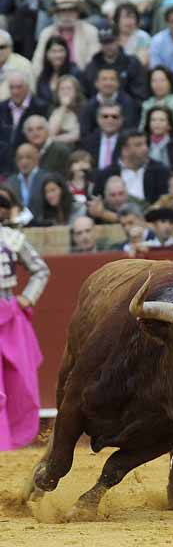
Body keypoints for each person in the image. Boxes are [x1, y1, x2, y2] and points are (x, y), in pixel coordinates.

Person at [0, 193, 50, 450]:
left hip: (7, 313)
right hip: (8, 311)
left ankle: (7, 439)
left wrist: (27, 298)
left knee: (17, 379)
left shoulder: (12, 239)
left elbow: (41, 270)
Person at [93, 129, 170, 206]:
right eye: (139, 145)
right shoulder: (106, 174)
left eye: (145, 144)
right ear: (124, 150)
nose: (145, 148)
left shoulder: (160, 171)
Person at [32, 0, 100, 78]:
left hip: (81, 78)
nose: (67, 15)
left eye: (71, 11)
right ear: (56, 14)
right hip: (53, 78)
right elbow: (37, 63)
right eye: (62, 11)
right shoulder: (46, 33)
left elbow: (93, 62)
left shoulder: (90, 31)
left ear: (77, 13)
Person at [82, 24, 149, 103]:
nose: (108, 46)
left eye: (111, 42)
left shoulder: (131, 63)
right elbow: (87, 95)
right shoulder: (92, 67)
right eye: (105, 43)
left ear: (118, 40)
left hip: (127, 109)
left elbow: (139, 94)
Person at [0, 71, 48, 162]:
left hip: (29, 158)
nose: (15, 91)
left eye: (19, 87)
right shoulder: (1, 107)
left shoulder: (40, 107)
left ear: (27, 87)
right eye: (12, 87)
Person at [79, 66, 140, 137]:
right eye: (104, 79)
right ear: (96, 83)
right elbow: (85, 132)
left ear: (118, 83)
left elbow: (130, 129)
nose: (108, 83)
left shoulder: (128, 103)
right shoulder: (88, 106)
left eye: (112, 79)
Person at [7, 143, 49, 223]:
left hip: (42, 225)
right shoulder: (10, 182)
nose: (24, 161)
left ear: (37, 158)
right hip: (17, 227)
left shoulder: (46, 178)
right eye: (20, 158)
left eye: (28, 157)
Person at [35, 35, 82, 108]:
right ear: (47, 54)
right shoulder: (43, 76)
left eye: (61, 51)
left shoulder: (75, 73)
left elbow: (81, 99)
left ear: (67, 52)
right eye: (53, 51)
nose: (58, 55)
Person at [139, 67, 173, 134]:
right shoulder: (147, 104)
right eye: (154, 80)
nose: (158, 84)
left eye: (162, 80)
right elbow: (142, 129)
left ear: (170, 82)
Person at [81, 102, 124, 170]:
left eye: (114, 117)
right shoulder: (87, 142)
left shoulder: (127, 142)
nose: (110, 120)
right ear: (98, 119)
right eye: (105, 116)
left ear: (121, 120)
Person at [48, 75, 83, 145]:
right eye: (62, 89)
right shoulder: (52, 108)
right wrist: (63, 107)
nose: (65, 92)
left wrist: (52, 139)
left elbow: (76, 136)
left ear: (76, 92)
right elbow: (51, 132)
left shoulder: (83, 109)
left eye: (69, 88)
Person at [114, 2, 151, 67]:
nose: (128, 21)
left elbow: (142, 62)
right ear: (117, 20)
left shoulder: (143, 37)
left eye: (132, 17)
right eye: (125, 17)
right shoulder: (111, 36)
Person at [0, 30, 34, 102]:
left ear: (10, 47)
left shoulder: (23, 65)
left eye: (2, 47)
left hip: (15, 109)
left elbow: (31, 93)